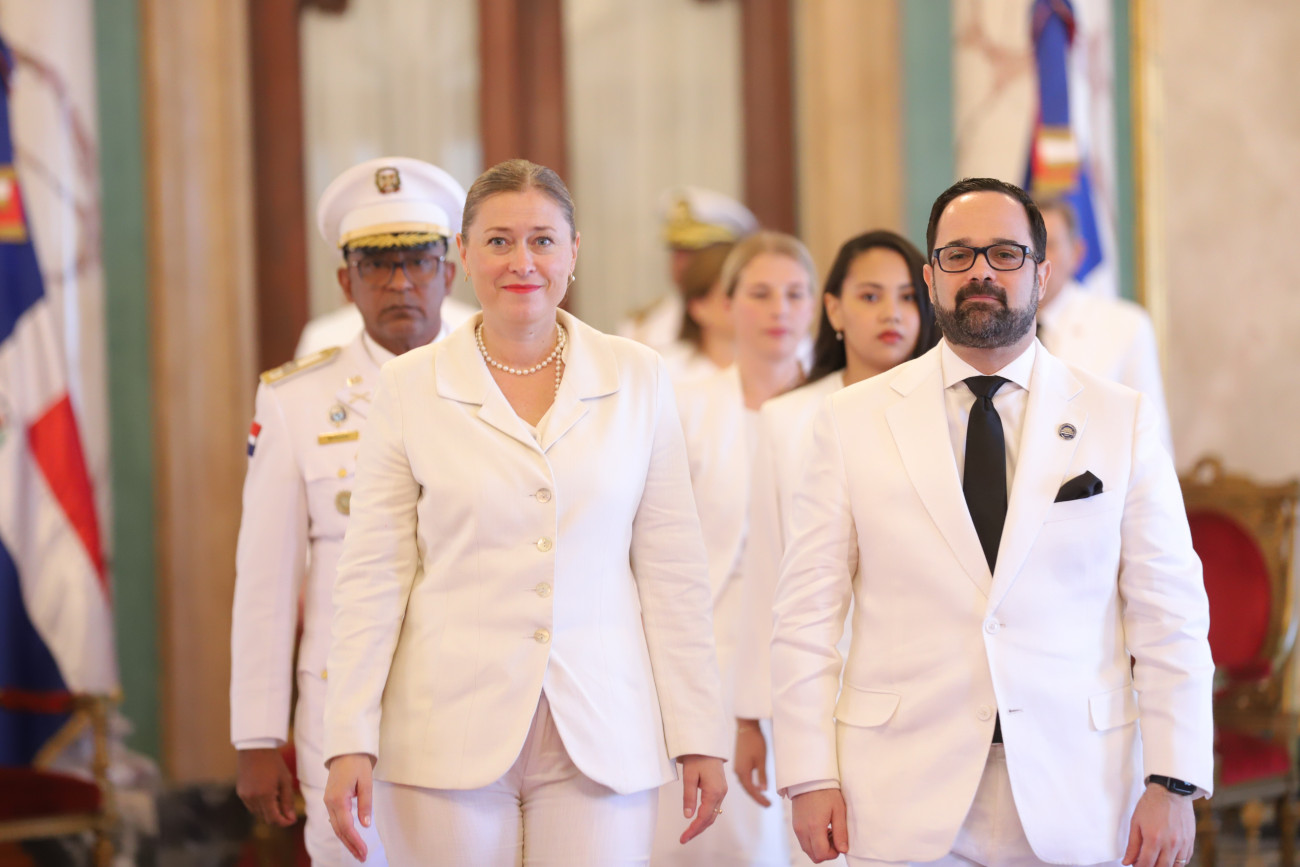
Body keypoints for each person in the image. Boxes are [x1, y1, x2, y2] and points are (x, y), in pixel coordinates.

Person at [771, 177, 1213, 866]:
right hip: (898, 788)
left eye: (1006, 253)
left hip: (1081, 787)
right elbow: (805, 614)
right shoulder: (851, 419)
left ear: (1042, 273)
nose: (981, 271)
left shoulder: (1119, 417)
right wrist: (808, 775)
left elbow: (1170, 610)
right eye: (958, 255)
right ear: (931, 278)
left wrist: (1173, 780)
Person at [321, 159, 729, 866]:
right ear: (464, 254)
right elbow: (372, 576)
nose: (522, 262)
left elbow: (674, 572)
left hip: (602, 724)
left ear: (574, 251)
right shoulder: (409, 384)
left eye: (542, 240)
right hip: (445, 729)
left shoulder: (638, 376)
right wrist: (348, 737)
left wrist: (699, 732)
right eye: (499, 241)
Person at [230, 155, 467, 866]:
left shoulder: (499, 382)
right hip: (342, 709)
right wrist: (256, 734)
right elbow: (266, 579)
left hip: (475, 700)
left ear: (449, 273)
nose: (400, 283)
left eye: (418, 262)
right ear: (346, 282)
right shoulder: (295, 401)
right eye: (376, 266)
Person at [731, 230, 939, 867]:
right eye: (871, 296)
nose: (892, 313)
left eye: (907, 297)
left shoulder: (953, 412)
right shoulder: (788, 419)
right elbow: (766, 570)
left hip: (930, 686)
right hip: (822, 685)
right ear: (834, 309)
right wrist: (749, 715)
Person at [653, 232, 817, 867]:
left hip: (811, 645)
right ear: (726, 304)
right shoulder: (686, 408)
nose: (779, 310)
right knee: (732, 841)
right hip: (713, 647)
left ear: (816, 307)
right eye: (760, 293)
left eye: (795, 294)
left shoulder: (837, 409)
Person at [1034, 198, 1172, 452]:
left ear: (1077, 254)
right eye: (1025, 246)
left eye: (1048, 245)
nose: (1036, 259)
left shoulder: (1126, 325)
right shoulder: (989, 327)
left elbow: (1152, 437)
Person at [618, 186, 758, 351]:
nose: (681, 263)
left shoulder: (756, 320)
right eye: (676, 250)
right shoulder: (643, 326)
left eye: (694, 252)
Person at [659, 242, 736, 382]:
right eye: (730, 293)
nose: (742, 303)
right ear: (698, 306)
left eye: (757, 294)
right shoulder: (664, 371)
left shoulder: (771, 368)